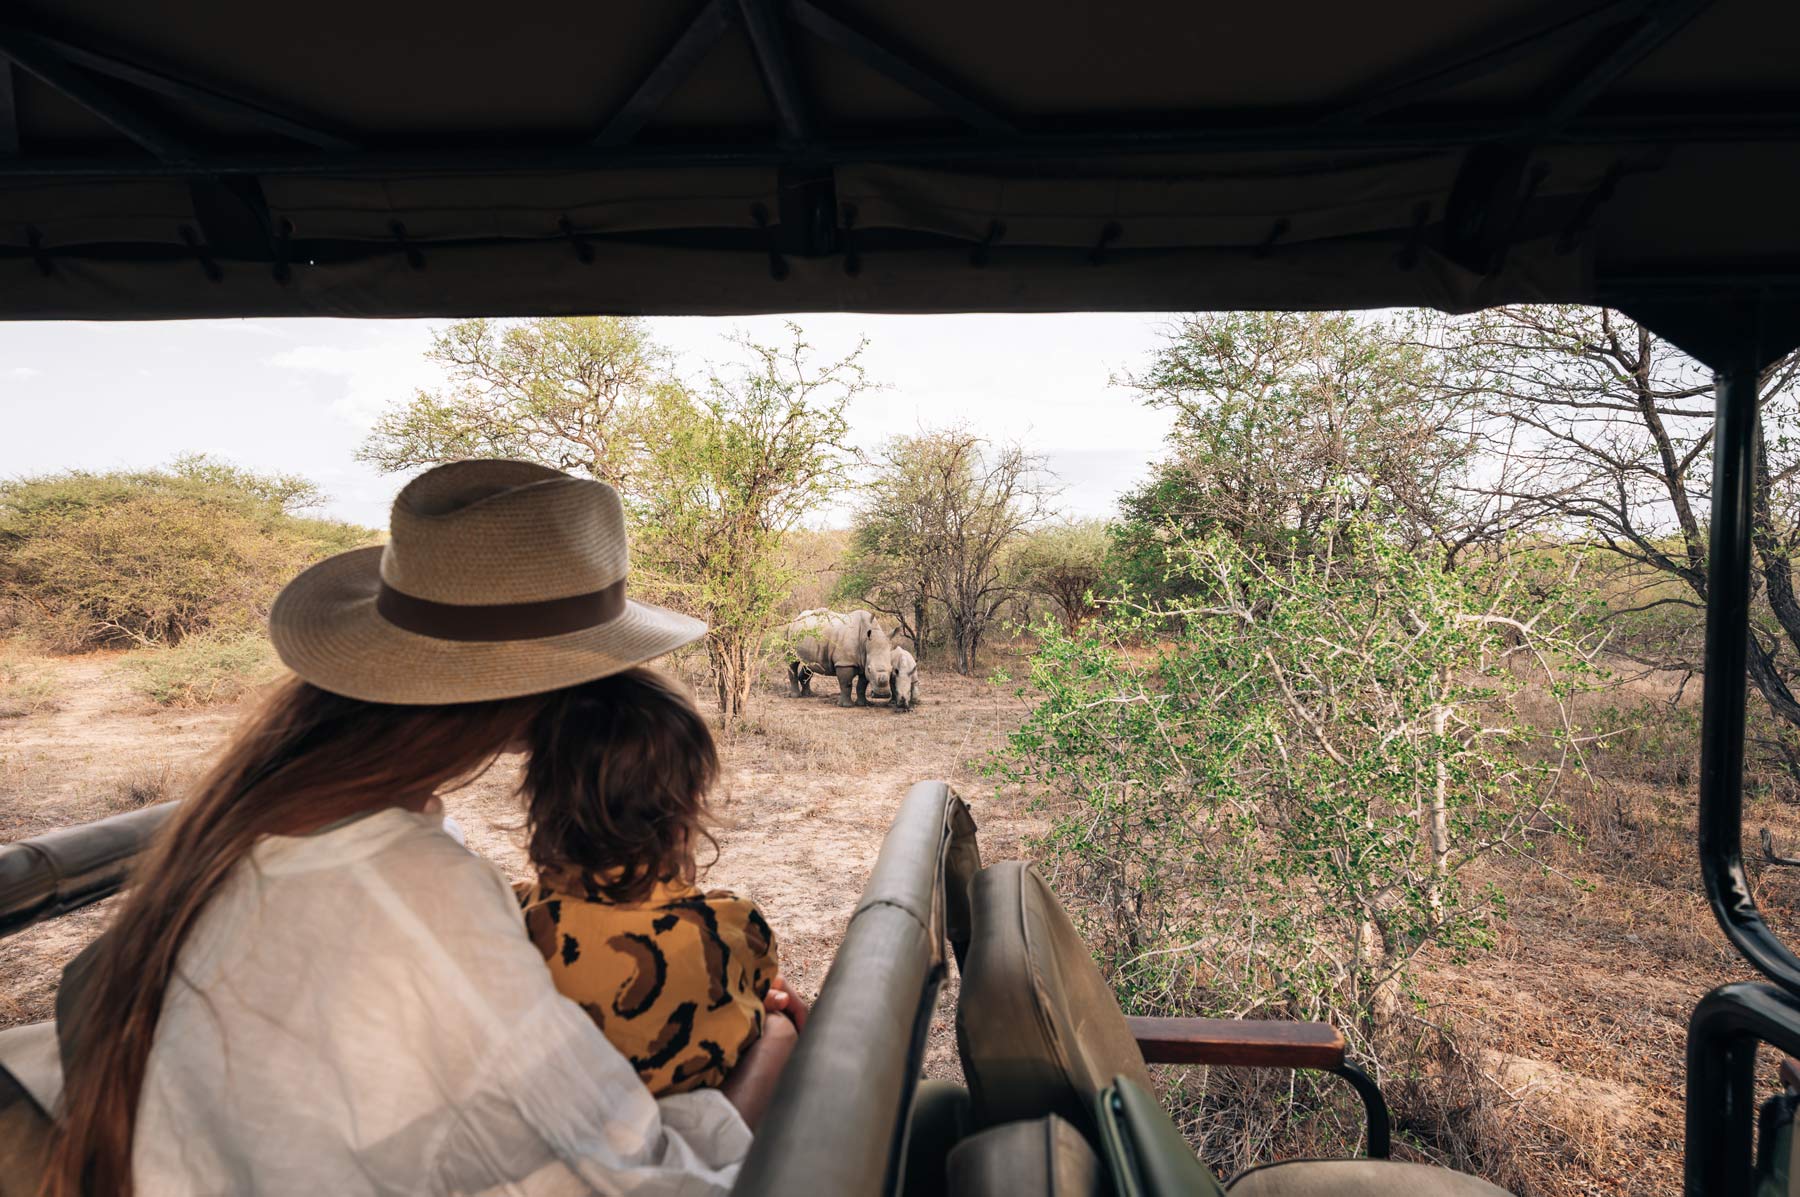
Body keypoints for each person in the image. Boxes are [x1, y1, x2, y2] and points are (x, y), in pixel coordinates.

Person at [44, 459, 801, 1196]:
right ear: (542, 692)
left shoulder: (262, 814)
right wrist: (777, 1044)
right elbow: (628, 1175)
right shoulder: (418, 891)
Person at [512, 667, 788, 1096]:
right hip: (715, 1127)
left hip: (568, 1116)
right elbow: (768, 991)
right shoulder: (733, 926)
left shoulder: (514, 921)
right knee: (781, 1023)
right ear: (685, 813)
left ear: (542, 803)